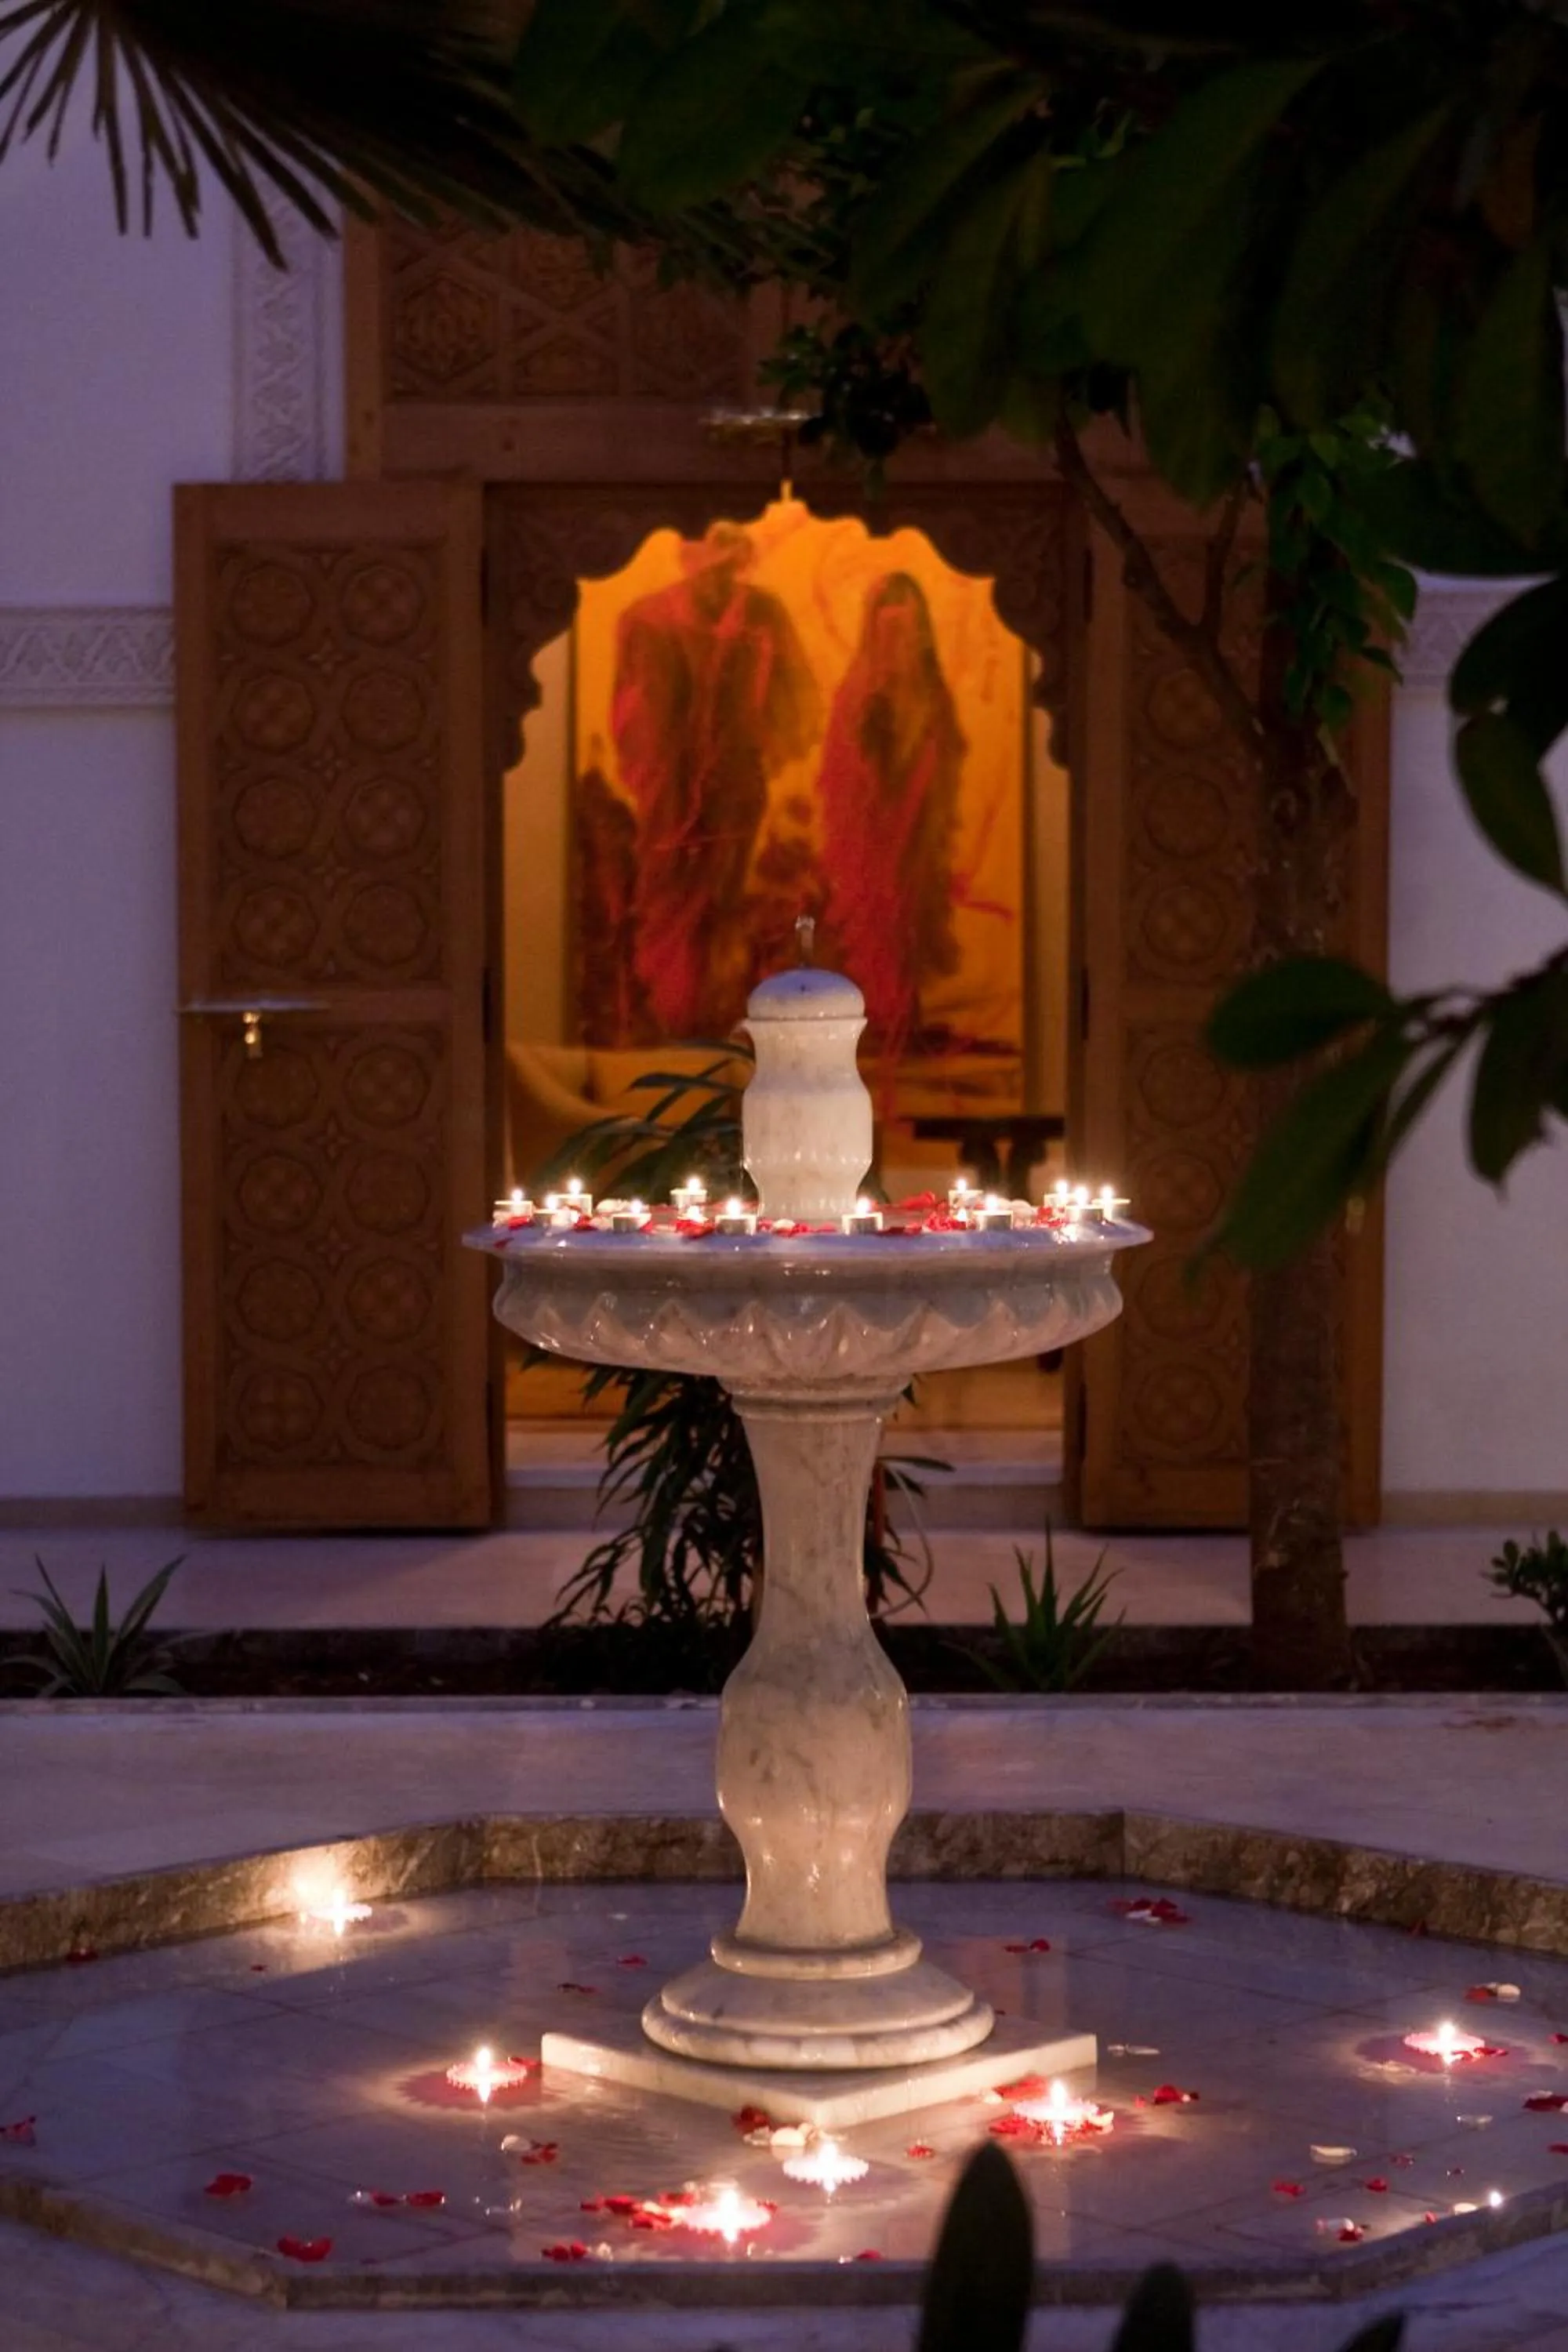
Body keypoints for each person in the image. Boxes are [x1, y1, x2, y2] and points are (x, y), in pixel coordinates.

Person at [610, 524, 822, 1036]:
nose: (720, 580)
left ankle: (711, 1012)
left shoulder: (763, 614)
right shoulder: (647, 618)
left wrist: (765, 747)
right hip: (669, 789)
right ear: (689, 564)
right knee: (670, 896)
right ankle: (669, 1012)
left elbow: (798, 696)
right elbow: (632, 714)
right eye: (710, 568)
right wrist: (664, 775)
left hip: (737, 784)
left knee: (722, 898)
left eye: (730, 567)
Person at [818, 571, 966, 1060]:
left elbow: (947, 749)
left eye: (908, 631)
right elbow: (846, 767)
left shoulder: (932, 693)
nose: (899, 642)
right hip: (874, 836)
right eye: (889, 632)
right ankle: (886, 1018)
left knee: (912, 921)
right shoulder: (859, 691)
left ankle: (903, 1018)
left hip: (919, 832)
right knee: (879, 920)